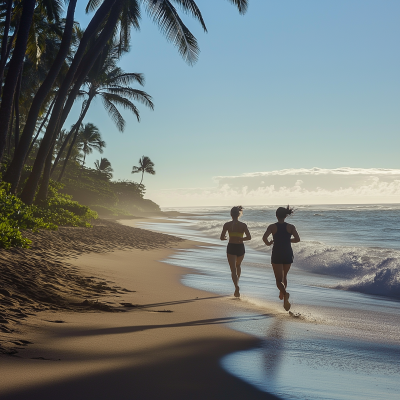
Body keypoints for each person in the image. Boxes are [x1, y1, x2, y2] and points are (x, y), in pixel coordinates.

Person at [263, 206, 300, 311]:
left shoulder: (272, 227)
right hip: (288, 253)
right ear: (286, 216)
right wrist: (288, 241)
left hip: (277, 254)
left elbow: (264, 238)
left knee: (278, 280)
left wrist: (269, 243)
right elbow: (297, 239)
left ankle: (285, 294)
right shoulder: (291, 227)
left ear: (276, 215)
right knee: (285, 276)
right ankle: (283, 295)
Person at [220, 206, 251, 298]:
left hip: (231, 247)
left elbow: (222, 237)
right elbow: (249, 237)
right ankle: (237, 282)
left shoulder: (227, 225)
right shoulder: (243, 225)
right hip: (240, 247)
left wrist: (225, 237)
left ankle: (236, 286)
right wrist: (241, 238)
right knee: (238, 266)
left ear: (231, 214)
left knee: (233, 269)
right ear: (239, 214)